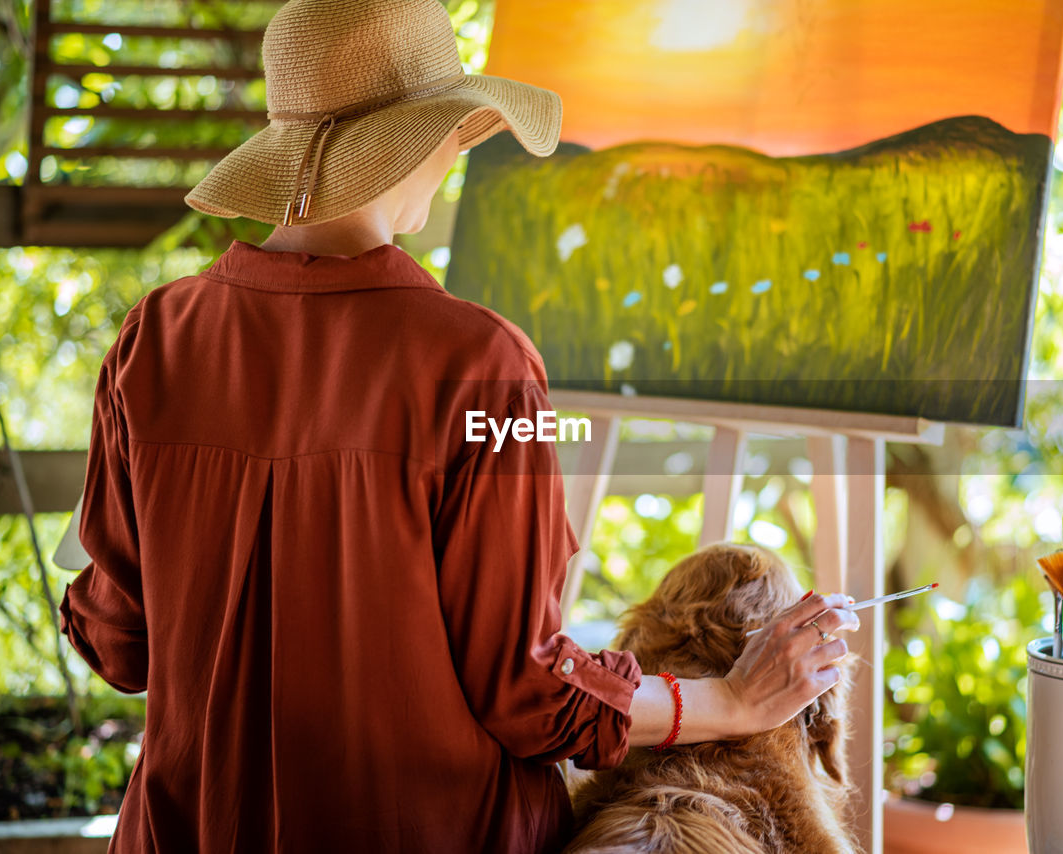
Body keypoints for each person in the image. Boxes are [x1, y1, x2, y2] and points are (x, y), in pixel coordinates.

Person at [58, 1, 860, 852]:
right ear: (426, 138)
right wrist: (733, 701)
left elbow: (119, 643)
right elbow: (528, 694)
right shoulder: (483, 366)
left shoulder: (155, 340)